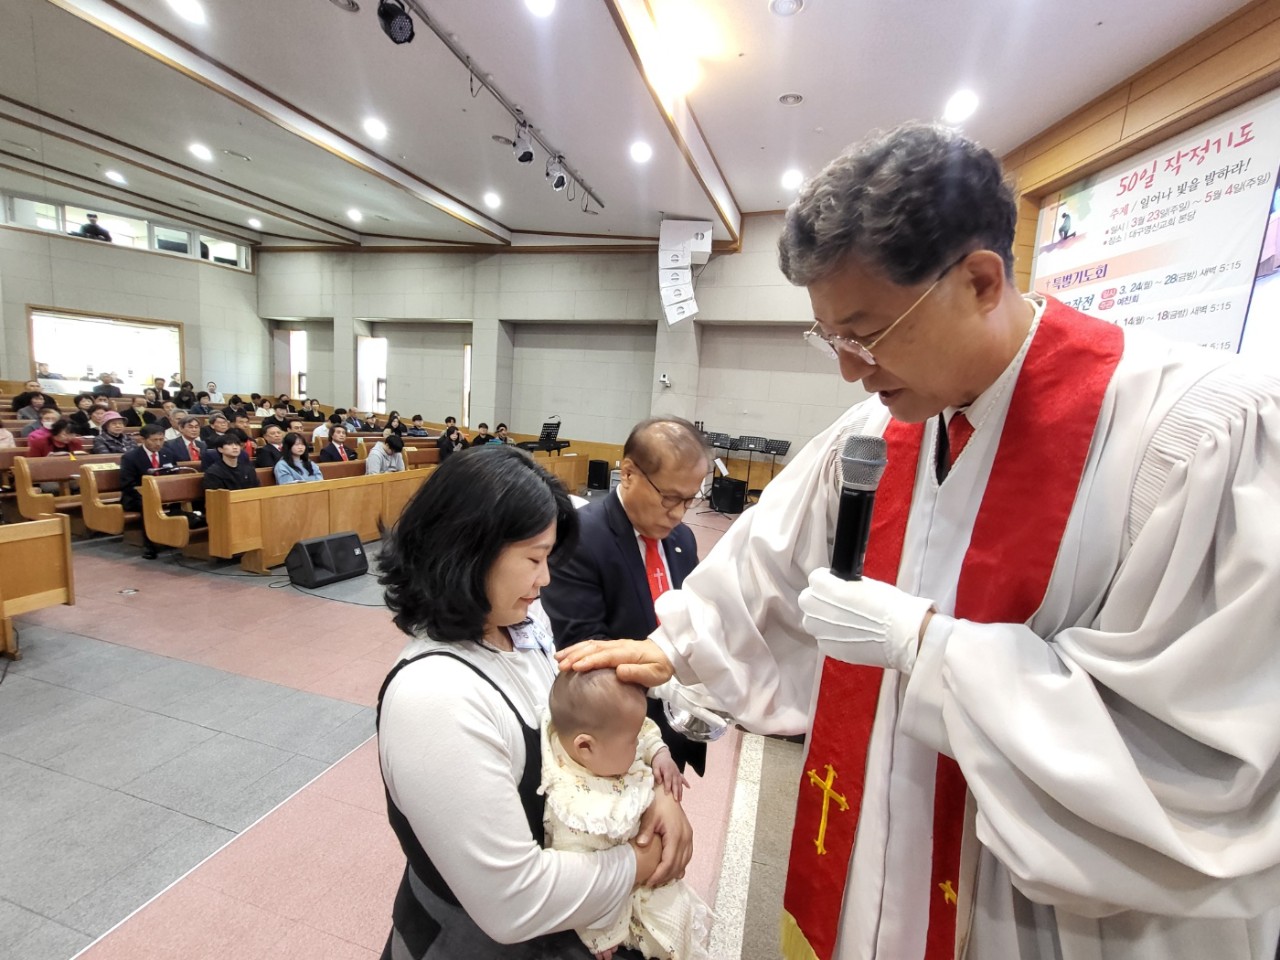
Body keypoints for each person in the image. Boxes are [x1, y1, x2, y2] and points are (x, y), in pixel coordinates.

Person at [560, 122, 1280, 960]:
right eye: (831, 337)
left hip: (1045, 911)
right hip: (879, 851)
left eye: (866, 331)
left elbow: (1199, 755)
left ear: (979, 281)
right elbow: (768, 564)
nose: (849, 368)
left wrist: (926, 648)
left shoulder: (1193, 437)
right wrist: (676, 645)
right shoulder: (877, 431)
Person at [375, 445, 691, 957]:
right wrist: (642, 859)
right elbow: (513, 901)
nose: (545, 580)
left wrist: (652, 795)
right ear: (470, 551)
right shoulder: (433, 696)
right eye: (533, 559)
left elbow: (585, 730)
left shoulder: (521, 623)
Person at [542, 417, 708, 777]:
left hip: (677, 726)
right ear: (629, 473)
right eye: (669, 497)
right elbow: (586, 653)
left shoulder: (682, 538)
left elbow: (694, 620)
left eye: (689, 499)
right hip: (616, 738)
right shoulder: (580, 538)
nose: (678, 513)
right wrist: (671, 680)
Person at [543, 668, 711, 960]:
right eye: (631, 741)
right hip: (624, 899)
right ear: (585, 746)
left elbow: (643, 731)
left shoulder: (604, 740)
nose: (637, 744)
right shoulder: (577, 810)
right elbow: (582, 884)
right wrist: (601, 934)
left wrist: (660, 754)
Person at [121, 424, 177, 559]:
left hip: (163, 494)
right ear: (143, 439)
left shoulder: (168, 453)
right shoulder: (130, 457)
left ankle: (173, 538)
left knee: (178, 504)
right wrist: (147, 496)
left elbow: (173, 476)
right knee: (148, 506)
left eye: (161, 439)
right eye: (154, 440)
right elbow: (128, 484)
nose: (158, 443)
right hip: (137, 497)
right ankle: (150, 545)